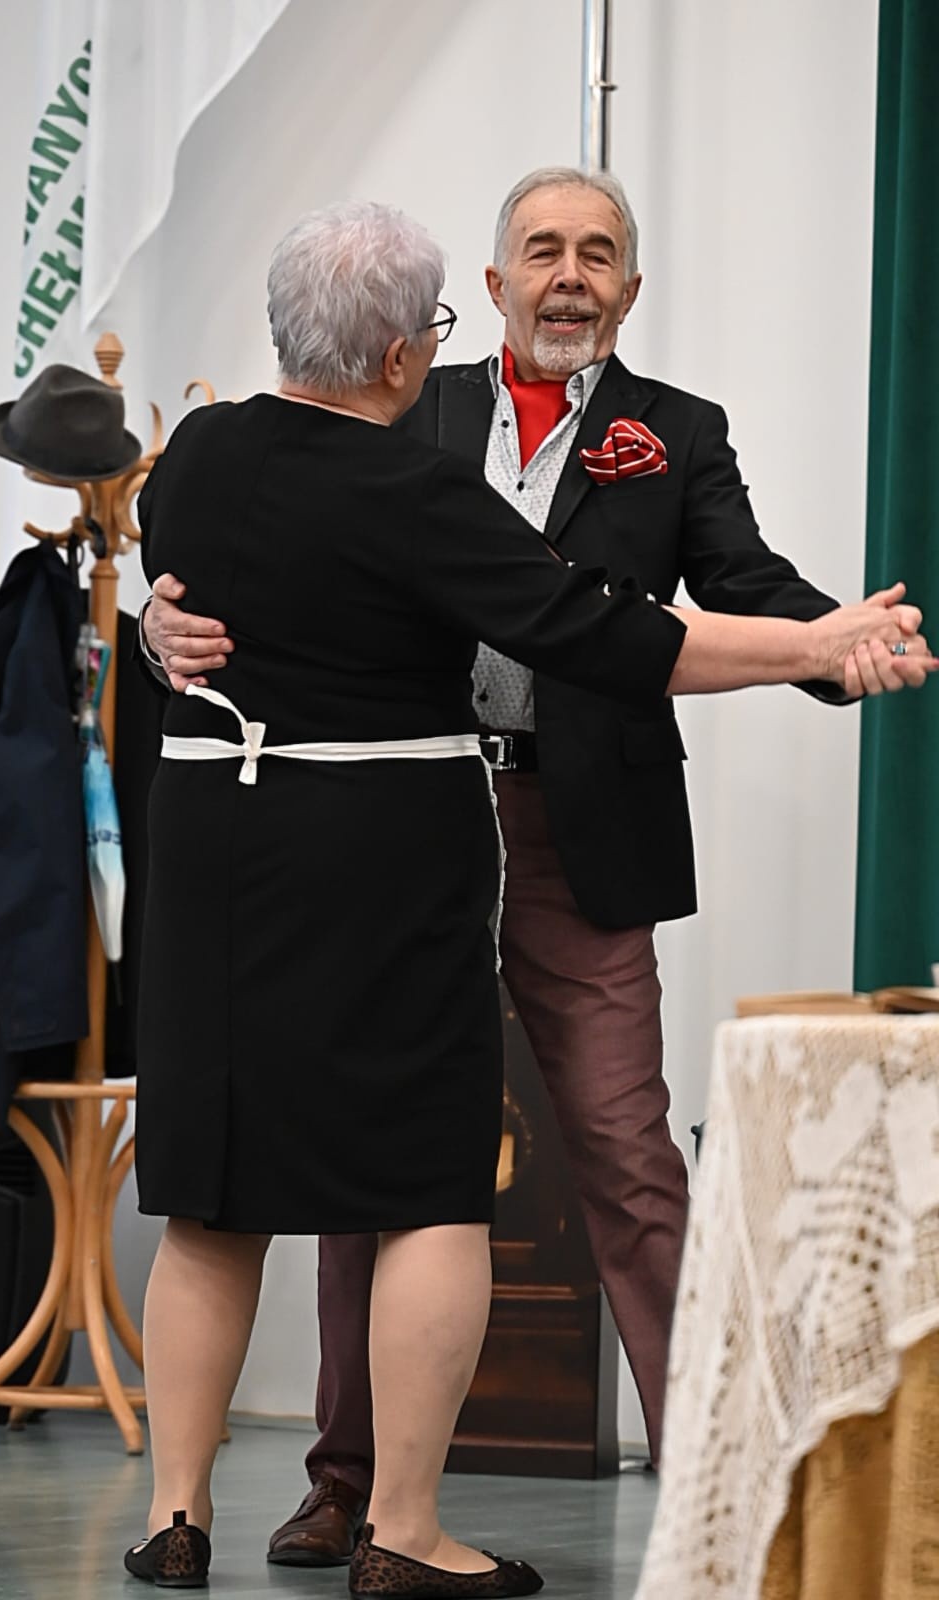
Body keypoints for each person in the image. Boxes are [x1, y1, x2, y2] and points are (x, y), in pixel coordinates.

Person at [133, 195, 931, 1591]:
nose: (569, 279)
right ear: (452, 317)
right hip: (401, 841)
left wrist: (825, 639)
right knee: (404, 1177)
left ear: (632, 285)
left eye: (597, 253)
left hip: (495, 834)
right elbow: (598, 632)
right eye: (540, 255)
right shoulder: (418, 450)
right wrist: (158, 622)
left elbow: (188, 538)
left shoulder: (210, 443)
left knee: (603, 1152)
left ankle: (706, 1475)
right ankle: (367, 1503)